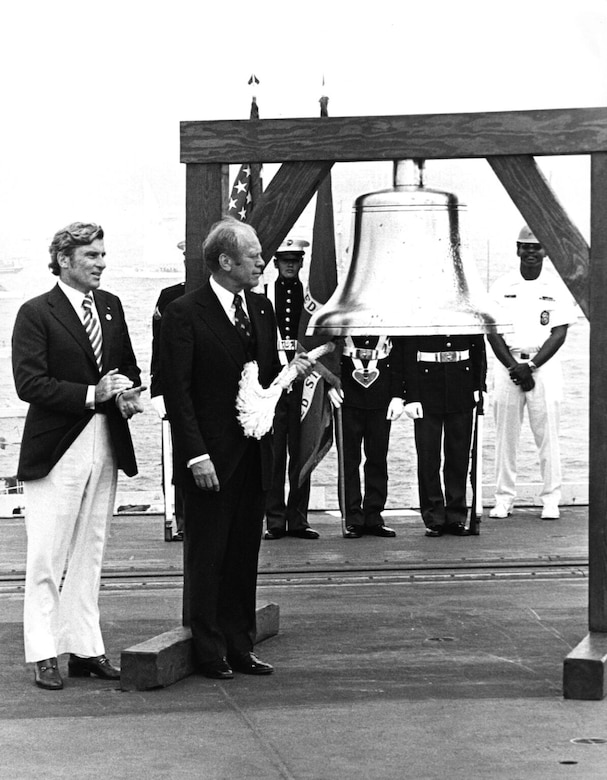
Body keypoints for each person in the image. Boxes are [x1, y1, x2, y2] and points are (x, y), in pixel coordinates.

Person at [159, 217, 314, 679]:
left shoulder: (261, 309)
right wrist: (195, 455)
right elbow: (178, 393)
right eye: (254, 256)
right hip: (209, 458)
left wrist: (291, 373)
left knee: (244, 554)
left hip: (253, 455)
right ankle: (209, 650)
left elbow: (262, 380)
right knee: (208, 556)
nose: (263, 262)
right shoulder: (184, 312)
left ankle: (239, 644)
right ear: (226, 261)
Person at [11, 222, 144, 690]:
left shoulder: (111, 307)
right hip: (56, 449)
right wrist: (93, 393)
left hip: (106, 441)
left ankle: (85, 648)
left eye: (102, 255)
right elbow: (29, 383)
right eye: (91, 255)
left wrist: (126, 392)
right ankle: (43, 652)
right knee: (47, 556)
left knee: (90, 551)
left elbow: (127, 366)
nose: (101, 263)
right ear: (64, 260)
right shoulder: (35, 313)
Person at [487, 225, 578, 520]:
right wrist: (514, 368)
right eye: (525, 246)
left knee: (548, 435)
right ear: (517, 249)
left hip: (544, 367)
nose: (530, 252)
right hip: (508, 366)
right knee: (505, 437)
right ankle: (503, 499)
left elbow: (559, 333)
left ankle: (551, 499)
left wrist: (533, 366)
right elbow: (492, 332)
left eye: (536, 247)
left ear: (545, 251)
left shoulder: (557, 287)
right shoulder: (501, 286)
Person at [403, 334, 486, 536]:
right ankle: (434, 516)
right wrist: (411, 396)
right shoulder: (418, 315)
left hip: (461, 384)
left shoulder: (466, 314)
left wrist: (479, 385)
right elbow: (406, 353)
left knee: (459, 455)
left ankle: (456, 515)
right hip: (426, 386)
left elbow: (478, 346)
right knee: (428, 456)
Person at [264, 238, 319, 540]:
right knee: (274, 457)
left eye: (294, 260)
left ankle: (298, 519)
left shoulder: (310, 300)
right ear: (275, 263)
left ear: (301, 263)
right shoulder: (263, 296)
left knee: (302, 451)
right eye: (285, 260)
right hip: (274, 385)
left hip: (303, 384)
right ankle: (274, 520)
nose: (289, 265)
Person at [330, 335, 405, 538]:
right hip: (346, 392)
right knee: (349, 460)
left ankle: (374, 516)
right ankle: (352, 517)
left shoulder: (387, 319)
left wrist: (398, 394)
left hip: (381, 393)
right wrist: (329, 383)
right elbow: (329, 347)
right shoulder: (342, 316)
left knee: (377, 458)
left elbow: (399, 353)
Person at [150, 240, 186, 540]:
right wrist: (157, 388)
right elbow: (159, 347)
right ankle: (182, 519)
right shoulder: (170, 297)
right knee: (179, 456)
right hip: (178, 388)